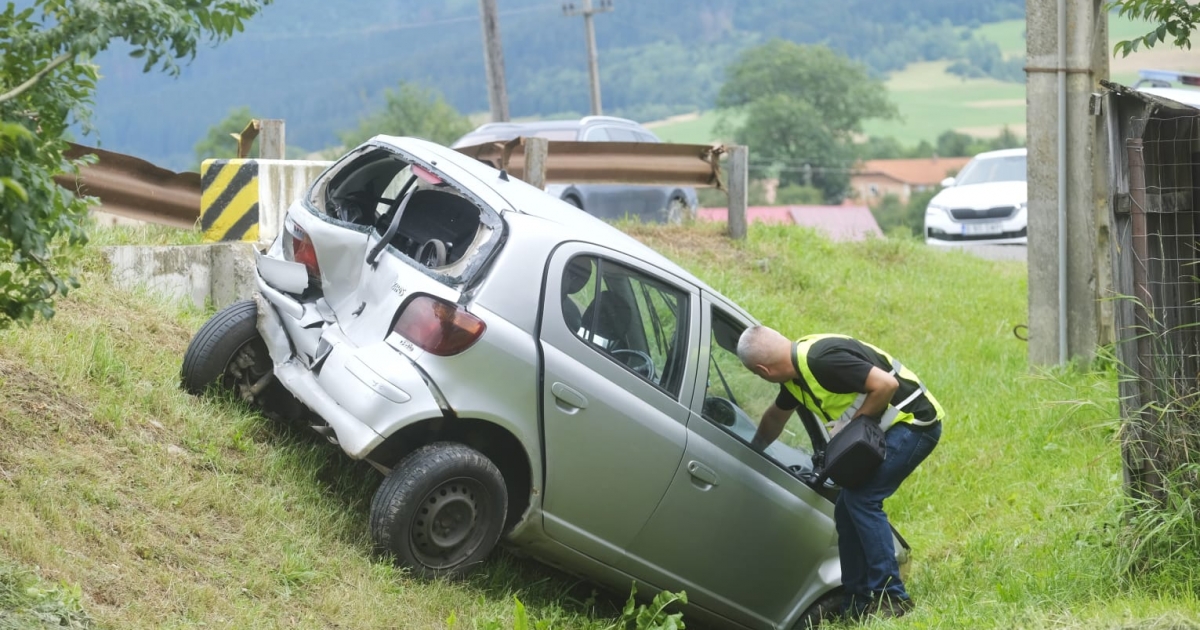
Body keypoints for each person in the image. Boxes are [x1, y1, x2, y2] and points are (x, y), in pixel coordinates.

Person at [736, 325, 944, 621]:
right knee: (846, 509)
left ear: (763, 370)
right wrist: (751, 449)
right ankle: (856, 603)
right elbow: (775, 417)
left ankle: (893, 597)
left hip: (914, 424)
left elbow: (886, 385)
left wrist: (853, 425)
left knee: (863, 501)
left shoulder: (822, 360)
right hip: (891, 429)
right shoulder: (796, 377)